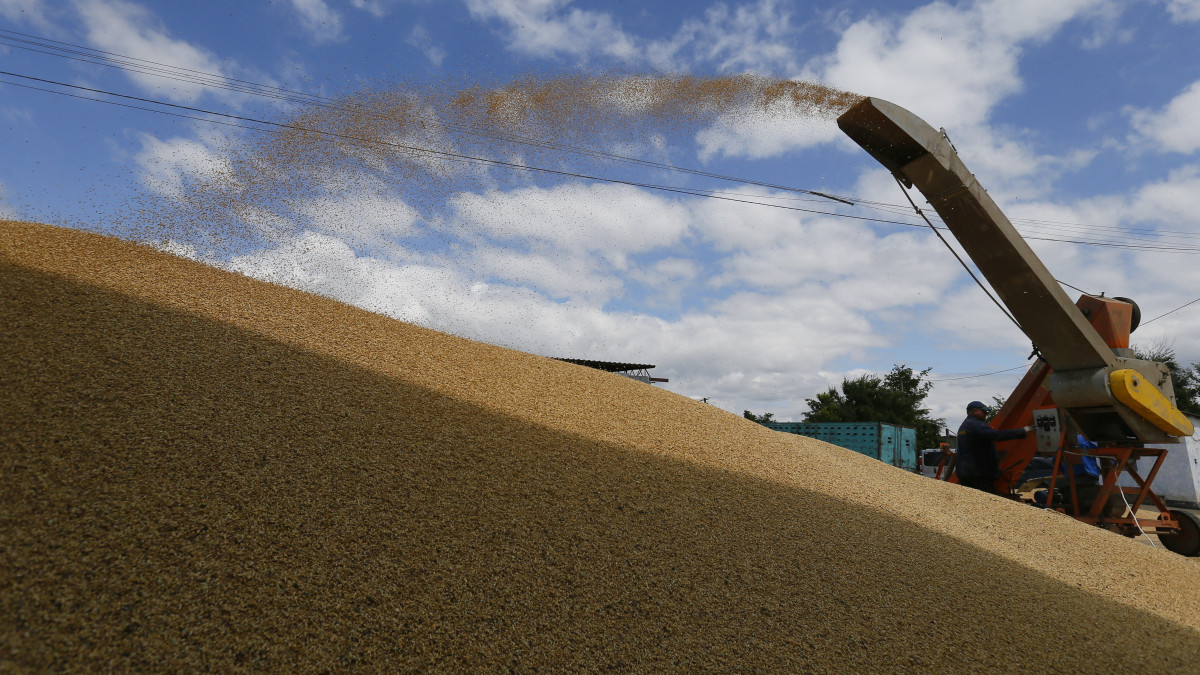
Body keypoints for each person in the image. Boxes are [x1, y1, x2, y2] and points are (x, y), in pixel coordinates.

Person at [955, 401, 1033, 494]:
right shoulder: (975, 424)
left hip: (966, 472)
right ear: (975, 411)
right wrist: (1022, 431)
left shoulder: (964, 426)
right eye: (983, 411)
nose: (986, 414)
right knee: (985, 501)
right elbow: (996, 435)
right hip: (978, 473)